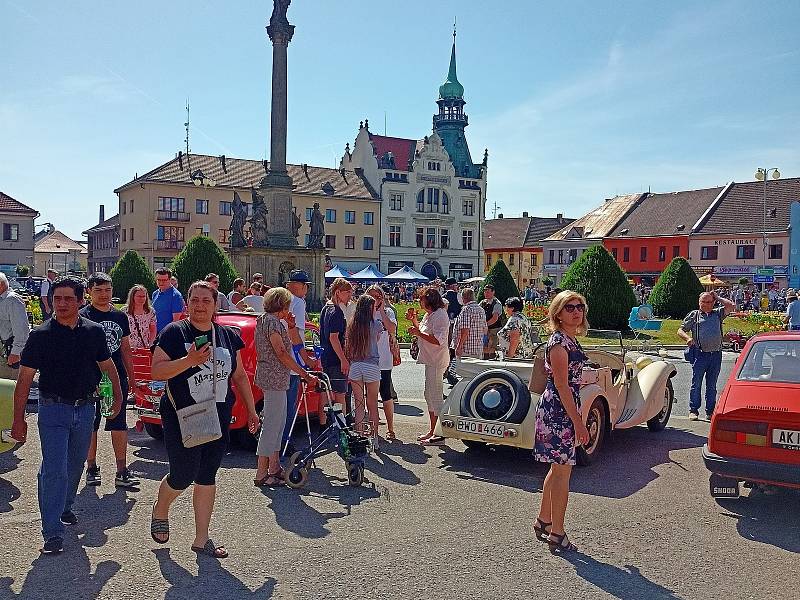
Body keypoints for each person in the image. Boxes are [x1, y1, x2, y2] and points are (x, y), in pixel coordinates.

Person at [11, 276, 124, 554]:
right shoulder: (41, 335)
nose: (61, 304)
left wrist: (118, 400)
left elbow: (108, 367)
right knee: (54, 470)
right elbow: (24, 380)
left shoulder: (93, 331)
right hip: (53, 410)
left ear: (80, 300)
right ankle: (52, 533)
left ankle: (65, 507)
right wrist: (18, 418)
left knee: (74, 466)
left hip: (85, 409)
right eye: (57, 299)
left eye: (68, 299)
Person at [149, 281, 259, 559]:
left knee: (207, 474)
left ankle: (201, 539)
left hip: (217, 414)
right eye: (195, 300)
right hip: (181, 414)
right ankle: (161, 507)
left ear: (215, 304)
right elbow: (158, 372)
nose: (200, 306)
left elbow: (239, 376)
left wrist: (252, 410)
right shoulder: (174, 333)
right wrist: (189, 360)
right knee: (183, 474)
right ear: (187, 303)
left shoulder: (225, 336)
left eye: (205, 301)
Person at [534, 290, 591, 554]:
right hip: (559, 411)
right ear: (558, 312)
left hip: (561, 409)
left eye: (580, 306)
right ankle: (557, 532)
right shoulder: (559, 343)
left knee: (558, 469)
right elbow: (561, 386)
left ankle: (544, 520)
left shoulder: (567, 339)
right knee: (563, 474)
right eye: (569, 307)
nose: (576, 311)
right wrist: (579, 423)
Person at [254, 288, 318, 486]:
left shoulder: (266, 320)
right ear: (281, 305)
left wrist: (290, 327)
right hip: (274, 378)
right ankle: (262, 473)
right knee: (273, 424)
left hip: (274, 378)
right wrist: (304, 373)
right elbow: (281, 352)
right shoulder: (272, 323)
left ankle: (274, 467)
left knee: (278, 423)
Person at [81, 273, 139, 488]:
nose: (104, 295)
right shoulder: (83, 316)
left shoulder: (120, 317)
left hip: (116, 378)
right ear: (89, 292)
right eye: (98, 290)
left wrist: (132, 377)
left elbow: (125, 348)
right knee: (91, 424)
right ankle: (91, 467)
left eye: (107, 290)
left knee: (119, 423)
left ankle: (122, 470)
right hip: (90, 379)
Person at [677, 291, 736, 420]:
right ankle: (693, 410)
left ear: (713, 303)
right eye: (703, 302)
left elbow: (731, 305)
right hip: (700, 354)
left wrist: (718, 297)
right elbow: (680, 330)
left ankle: (710, 411)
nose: (705, 304)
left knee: (712, 386)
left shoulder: (718, 314)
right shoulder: (694, 315)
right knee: (696, 383)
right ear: (699, 302)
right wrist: (687, 338)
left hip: (715, 355)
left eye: (708, 302)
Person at [281, 270, 318, 454]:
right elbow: (295, 334)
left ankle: (277, 444)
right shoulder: (298, 303)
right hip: (292, 363)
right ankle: (284, 444)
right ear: (302, 287)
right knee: (289, 408)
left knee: (279, 408)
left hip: (279, 360)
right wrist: (305, 359)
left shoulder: (282, 301)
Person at [408, 287, 450, 445]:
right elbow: (423, 332)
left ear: (429, 300)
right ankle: (433, 430)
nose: (419, 301)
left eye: (422, 298)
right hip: (430, 359)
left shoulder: (440, 315)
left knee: (435, 395)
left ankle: (439, 434)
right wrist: (414, 321)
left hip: (436, 360)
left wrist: (418, 333)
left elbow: (438, 340)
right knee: (429, 394)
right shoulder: (430, 314)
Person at [345, 294, 389, 447]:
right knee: (372, 405)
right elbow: (376, 339)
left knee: (358, 404)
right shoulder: (375, 323)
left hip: (356, 366)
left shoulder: (352, 324)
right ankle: (374, 438)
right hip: (371, 365)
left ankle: (359, 438)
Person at [366, 285, 398, 440]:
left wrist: (382, 311)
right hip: (368, 358)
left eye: (378, 297)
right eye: (372, 297)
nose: (375, 300)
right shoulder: (364, 312)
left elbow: (391, 329)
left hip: (384, 359)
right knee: (370, 395)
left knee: (385, 393)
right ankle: (373, 427)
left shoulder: (388, 312)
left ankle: (390, 428)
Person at [319, 278, 353, 412]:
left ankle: (323, 425)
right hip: (335, 360)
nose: (350, 295)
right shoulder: (337, 311)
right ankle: (340, 428)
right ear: (338, 292)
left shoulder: (325, 308)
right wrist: (343, 360)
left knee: (324, 395)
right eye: (348, 292)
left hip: (325, 358)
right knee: (340, 396)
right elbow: (334, 338)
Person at [0, 272, 30, 380]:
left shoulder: (12, 300)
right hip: (3, 352)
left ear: (1, 285)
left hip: (9, 354)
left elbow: (22, 331)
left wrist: (15, 353)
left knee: (9, 388)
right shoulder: (3, 300)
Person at [451, 287, 487, 360]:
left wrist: (459, 346)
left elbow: (465, 330)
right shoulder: (481, 309)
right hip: (478, 348)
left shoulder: (466, 310)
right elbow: (485, 329)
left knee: (463, 370)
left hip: (467, 349)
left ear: (463, 297)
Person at [124, 284, 157, 350]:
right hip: (127, 349)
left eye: (143, 296)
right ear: (133, 297)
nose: (141, 299)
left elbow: (153, 329)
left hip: (144, 348)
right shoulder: (124, 311)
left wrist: (150, 343)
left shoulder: (150, 311)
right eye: (139, 296)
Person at [153, 268, 185, 333]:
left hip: (167, 334)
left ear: (170, 280)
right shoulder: (155, 293)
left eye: (164, 280)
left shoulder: (176, 296)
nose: (161, 283)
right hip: (154, 333)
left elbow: (175, 321)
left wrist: (164, 334)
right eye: (159, 280)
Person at [481, 284, 503, 359]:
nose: (485, 293)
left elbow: (495, 318)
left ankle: (492, 363)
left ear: (493, 292)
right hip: (485, 329)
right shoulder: (483, 302)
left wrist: (485, 325)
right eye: (485, 291)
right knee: (484, 347)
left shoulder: (497, 303)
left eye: (488, 291)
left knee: (491, 347)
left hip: (494, 329)